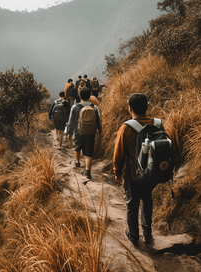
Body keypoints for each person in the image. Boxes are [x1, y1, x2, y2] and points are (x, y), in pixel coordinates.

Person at [113, 93, 161, 247]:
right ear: (147, 107)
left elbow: (119, 154)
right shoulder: (158, 124)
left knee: (132, 204)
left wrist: (117, 172)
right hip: (152, 173)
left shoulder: (126, 127)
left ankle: (133, 235)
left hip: (133, 174)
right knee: (147, 199)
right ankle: (147, 233)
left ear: (130, 108)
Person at [66, 87, 102, 179]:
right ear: (89, 96)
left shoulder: (75, 107)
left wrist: (69, 133)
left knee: (77, 147)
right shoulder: (94, 107)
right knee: (89, 153)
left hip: (78, 132)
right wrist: (100, 130)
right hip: (91, 132)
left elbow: (71, 121)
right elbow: (98, 120)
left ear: (79, 96)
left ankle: (77, 162)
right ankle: (88, 171)